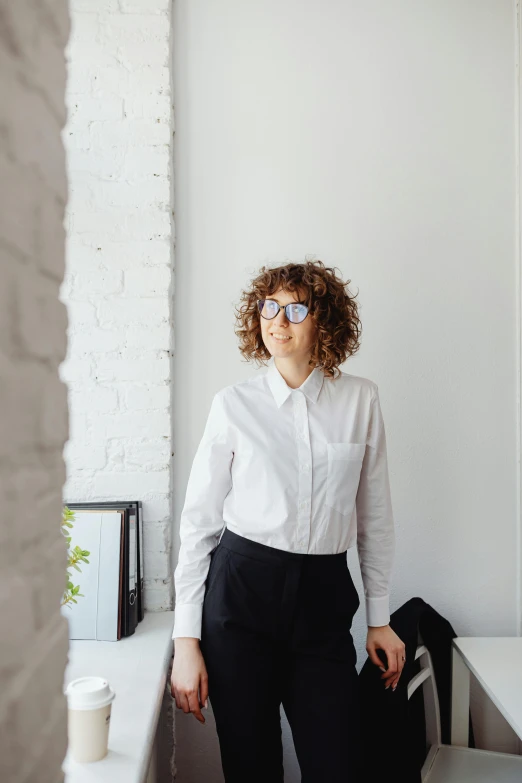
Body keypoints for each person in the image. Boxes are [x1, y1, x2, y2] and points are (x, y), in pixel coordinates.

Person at [170, 259, 406, 782]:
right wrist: (186, 642)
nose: (278, 320)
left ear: (325, 320)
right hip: (239, 598)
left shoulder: (360, 400)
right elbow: (199, 524)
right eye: (269, 307)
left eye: (296, 308)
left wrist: (379, 616)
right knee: (250, 766)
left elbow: (375, 515)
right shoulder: (232, 406)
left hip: (322, 602)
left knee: (338, 764)